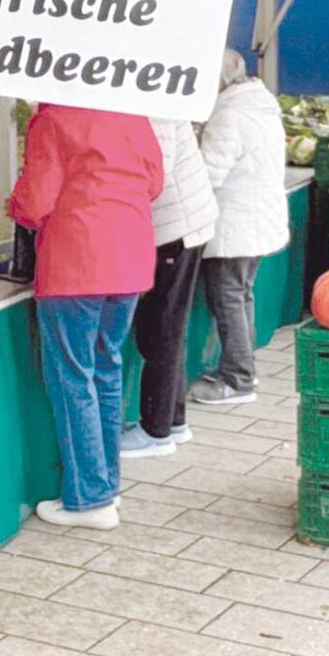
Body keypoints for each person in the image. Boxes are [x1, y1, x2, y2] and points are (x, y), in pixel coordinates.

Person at [7, 103, 162, 529]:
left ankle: (90, 498)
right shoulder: (131, 112)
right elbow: (154, 182)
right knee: (106, 369)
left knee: (73, 377)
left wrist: (14, 206)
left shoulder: (54, 117)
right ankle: (105, 487)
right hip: (130, 257)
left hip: (76, 259)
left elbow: (36, 200)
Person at [191, 50, 291, 406]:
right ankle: (244, 368)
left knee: (229, 298)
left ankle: (237, 379)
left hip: (235, 224)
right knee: (242, 294)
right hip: (258, 220)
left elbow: (208, 174)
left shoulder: (228, 115)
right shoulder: (261, 107)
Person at [119, 117, 218, 458]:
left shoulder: (154, 105)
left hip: (174, 227)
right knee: (168, 326)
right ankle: (173, 420)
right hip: (182, 220)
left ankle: (155, 430)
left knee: (161, 329)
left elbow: (154, 171)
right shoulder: (152, 101)